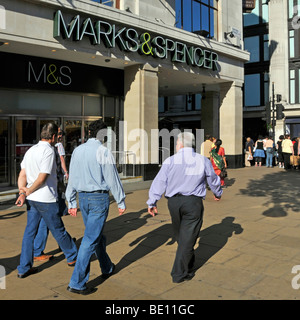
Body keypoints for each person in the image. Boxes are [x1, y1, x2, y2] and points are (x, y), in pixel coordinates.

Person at [146, 132, 222, 284]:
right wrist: (217, 192)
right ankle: (179, 273)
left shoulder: (170, 160)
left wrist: (152, 201)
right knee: (185, 238)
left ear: (180, 144)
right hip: (193, 203)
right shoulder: (202, 160)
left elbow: (159, 181)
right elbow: (213, 178)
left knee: (183, 237)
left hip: (173, 203)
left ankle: (187, 265)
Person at [65, 119, 126, 295]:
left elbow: (72, 177)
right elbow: (112, 178)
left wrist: (71, 201)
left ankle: (106, 267)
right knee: (90, 239)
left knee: (95, 236)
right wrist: (120, 201)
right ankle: (77, 282)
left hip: (83, 198)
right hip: (98, 198)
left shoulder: (77, 150)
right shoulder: (103, 152)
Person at [15, 123, 78, 278]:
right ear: (53, 137)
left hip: (32, 200)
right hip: (45, 199)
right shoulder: (48, 151)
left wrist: (22, 191)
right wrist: (27, 190)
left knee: (30, 233)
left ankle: (23, 268)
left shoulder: (31, 150)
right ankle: (72, 256)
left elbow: (23, 173)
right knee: (58, 229)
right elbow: (43, 177)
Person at [32, 127, 71, 262]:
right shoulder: (52, 149)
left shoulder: (35, 149)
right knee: (51, 221)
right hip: (50, 192)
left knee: (49, 221)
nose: (60, 136)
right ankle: (69, 250)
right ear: (53, 136)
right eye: (58, 134)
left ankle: (64, 244)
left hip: (44, 193)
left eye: (61, 134)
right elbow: (51, 172)